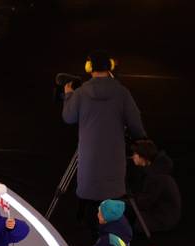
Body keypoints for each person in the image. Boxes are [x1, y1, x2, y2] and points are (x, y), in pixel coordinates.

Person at [62, 50, 146, 233]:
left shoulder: (81, 93)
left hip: (89, 157)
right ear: (110, 67)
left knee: (90, 195)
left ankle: (88, 231)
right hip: (114, 157)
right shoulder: (122, 93)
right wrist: (143, 141)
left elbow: (68, 117)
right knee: (112, 195)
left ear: (90, 68)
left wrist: (68, 95)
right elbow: (135, 124)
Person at [129, 139, 181, 234]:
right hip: (163, 215)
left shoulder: (156, 177)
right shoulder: (156, 172)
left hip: (162, 219)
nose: (133, 156)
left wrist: (127, 201)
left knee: (123, 222)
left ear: (143, 155)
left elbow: (144, 203)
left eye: (135, 153)